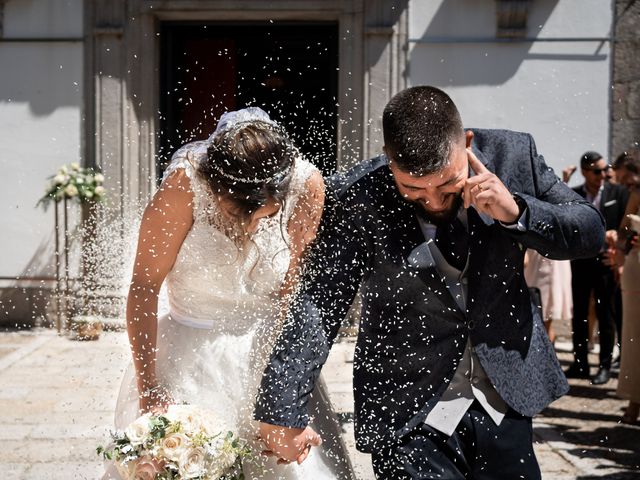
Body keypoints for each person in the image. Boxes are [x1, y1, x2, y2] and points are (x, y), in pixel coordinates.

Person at [255, 86, 604, 479]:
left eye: (447, 184)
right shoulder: (356, 197)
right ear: (389, 161)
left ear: (466, 142)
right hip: (409, 411)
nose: (434, 201)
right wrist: (280, 411)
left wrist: (517, 211)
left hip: (506, 396)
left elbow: (589, 230)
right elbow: (320, 302)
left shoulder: (513, 156)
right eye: (414, 190)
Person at [103, 107, 354, 479]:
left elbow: (295, 297)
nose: (253, 223)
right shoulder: (183, 186)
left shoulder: (306, 186)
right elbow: (144, 287)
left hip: (271, 360)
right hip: (186, 365)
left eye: (265, 215)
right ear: (216, 185)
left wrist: (286, 398)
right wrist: (150, 389)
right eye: (241, 210)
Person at [565, 151, 629, 385]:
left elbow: (626, 224)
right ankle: (580, 363)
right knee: (580, 314)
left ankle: (604, 365)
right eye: (597, 171)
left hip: (605, 262)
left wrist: (619, 249)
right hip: (581, 262)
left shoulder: (618, 193)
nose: (603, 174)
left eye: (605, 170)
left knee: (606, 315)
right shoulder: (576, 195)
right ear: (584, 171)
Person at [616, 188, 640, 424]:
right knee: (635, 335)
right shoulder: (637, 193)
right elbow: (623, 234)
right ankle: (635, 401)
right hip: (638, 268)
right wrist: (620, 255)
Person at [524, 250, 572, 344]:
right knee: (536, 313)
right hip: (537, 257)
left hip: (555, 258)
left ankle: (546, 352)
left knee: (547, 315)